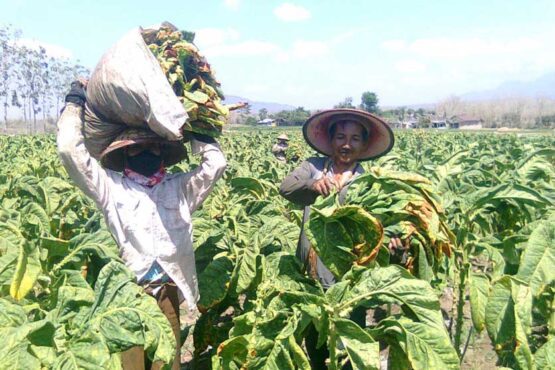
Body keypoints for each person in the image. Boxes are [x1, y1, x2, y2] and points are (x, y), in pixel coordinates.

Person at [57, 81, 227, 370]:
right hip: (128, 296)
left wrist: (197, 127)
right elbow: (69, 150)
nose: (146, 153)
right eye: (137, 148)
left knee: (167, 364)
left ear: (163, 153)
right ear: (124, 153)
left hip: (167, 293)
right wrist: (74, 103)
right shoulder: (110, 188)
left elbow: (216, 164)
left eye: (153, 147)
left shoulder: (181, 188)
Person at [279, 108, 396, 368]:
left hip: (348, 282)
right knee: (316, 348)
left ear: (364, 145)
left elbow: (384, 221)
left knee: (346, 351)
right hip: (310, 278)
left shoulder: (368, 181)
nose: (346, 144)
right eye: (340, 136)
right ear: (331, 140)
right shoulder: (314, 167)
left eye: (355, 139)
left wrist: (395, 236)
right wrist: (311, 185)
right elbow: (286, 187)